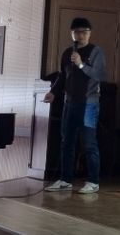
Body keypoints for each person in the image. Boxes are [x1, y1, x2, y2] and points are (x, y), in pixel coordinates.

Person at [43, 17, 106, 194]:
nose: (81, 35)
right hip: (69, 103)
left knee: (89, 143)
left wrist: (81, 64)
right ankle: (65, 179)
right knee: (67, 142)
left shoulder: (96, 52)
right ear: (72, 34)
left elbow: (99, 75)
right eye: (77, 32)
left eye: (84, 32)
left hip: (89, 104)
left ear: (89, 33)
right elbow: (63, 76)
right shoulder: (67, 53)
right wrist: (53, 92)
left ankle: (93, 181)